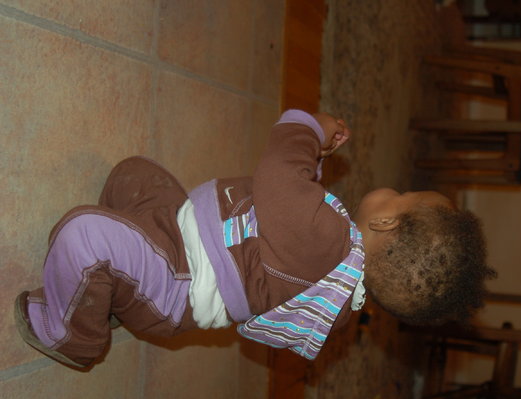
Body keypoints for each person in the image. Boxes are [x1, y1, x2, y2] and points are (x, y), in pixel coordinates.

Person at [15, 110, 494, 369]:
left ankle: (74, 336)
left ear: (387, 222)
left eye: (404, 196)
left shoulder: (326, 239)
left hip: (177, 279)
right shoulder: (339, 279)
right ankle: (112, 292)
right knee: (133, 175)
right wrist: (314, 167)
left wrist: (309, 129)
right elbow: (290, 215)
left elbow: (281, 172)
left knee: (83, 234)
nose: (397, 190)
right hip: (183, 231)